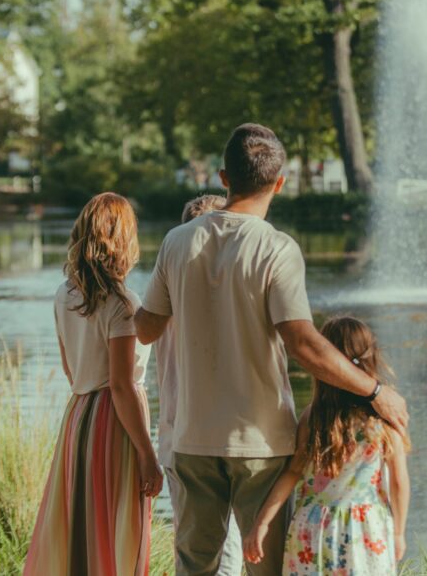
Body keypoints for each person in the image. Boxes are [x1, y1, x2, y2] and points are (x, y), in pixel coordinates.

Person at [135, 123, 408, 576]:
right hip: (259, 440)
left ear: (223, 178)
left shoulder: (176, 242)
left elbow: (145, 330)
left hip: (192, 436)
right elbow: (302, 343)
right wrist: (375, 391)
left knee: (194, 566)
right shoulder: (277, 249)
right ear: (279, 183)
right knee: (265, 567)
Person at [24, 193, 163, 576]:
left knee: (83, 524)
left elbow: (71, 370)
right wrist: (148, 455)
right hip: (115, 423)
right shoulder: (122, 304)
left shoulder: (64, 294)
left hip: (79, 415)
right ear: (123, 239)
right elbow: (121, 385)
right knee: (120, 527)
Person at [243, 316, 410, 575]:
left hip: (313, 529)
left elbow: (292, 472)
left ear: (325, 366)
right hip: (365, 530)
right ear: (370, 358)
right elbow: (399, 481)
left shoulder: (314, 416)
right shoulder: (385, 419)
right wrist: (399, 532)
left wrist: (262, 522)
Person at [155, 193, 244, 575]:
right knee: (223, 551)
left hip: (180, 436)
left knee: (193, 546)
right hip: (200, 439)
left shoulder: (165, 289)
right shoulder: (193, 295)